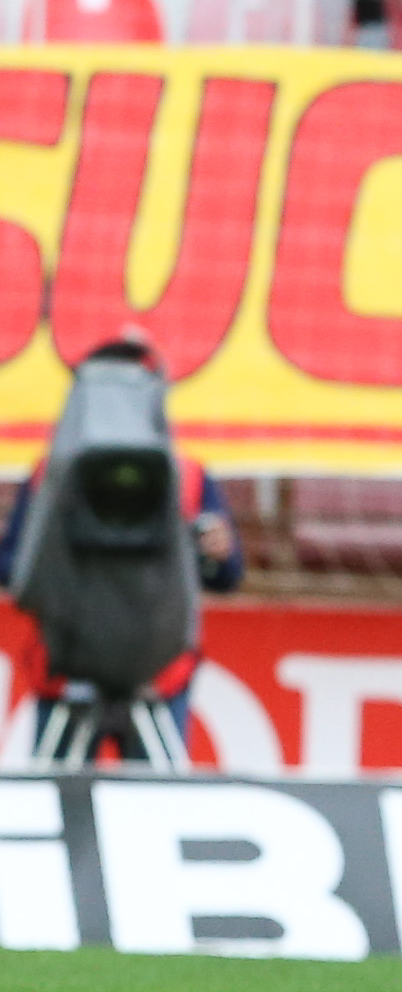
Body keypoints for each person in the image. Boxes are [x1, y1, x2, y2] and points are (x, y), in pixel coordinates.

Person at [0, 328, 243, 768]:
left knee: (159, 804)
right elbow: (13, 568)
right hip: (68, 670)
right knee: (58, 799)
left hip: (157, 675)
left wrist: (218, 552)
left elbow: (225, 576)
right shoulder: (50, 477)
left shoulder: (184, 477)